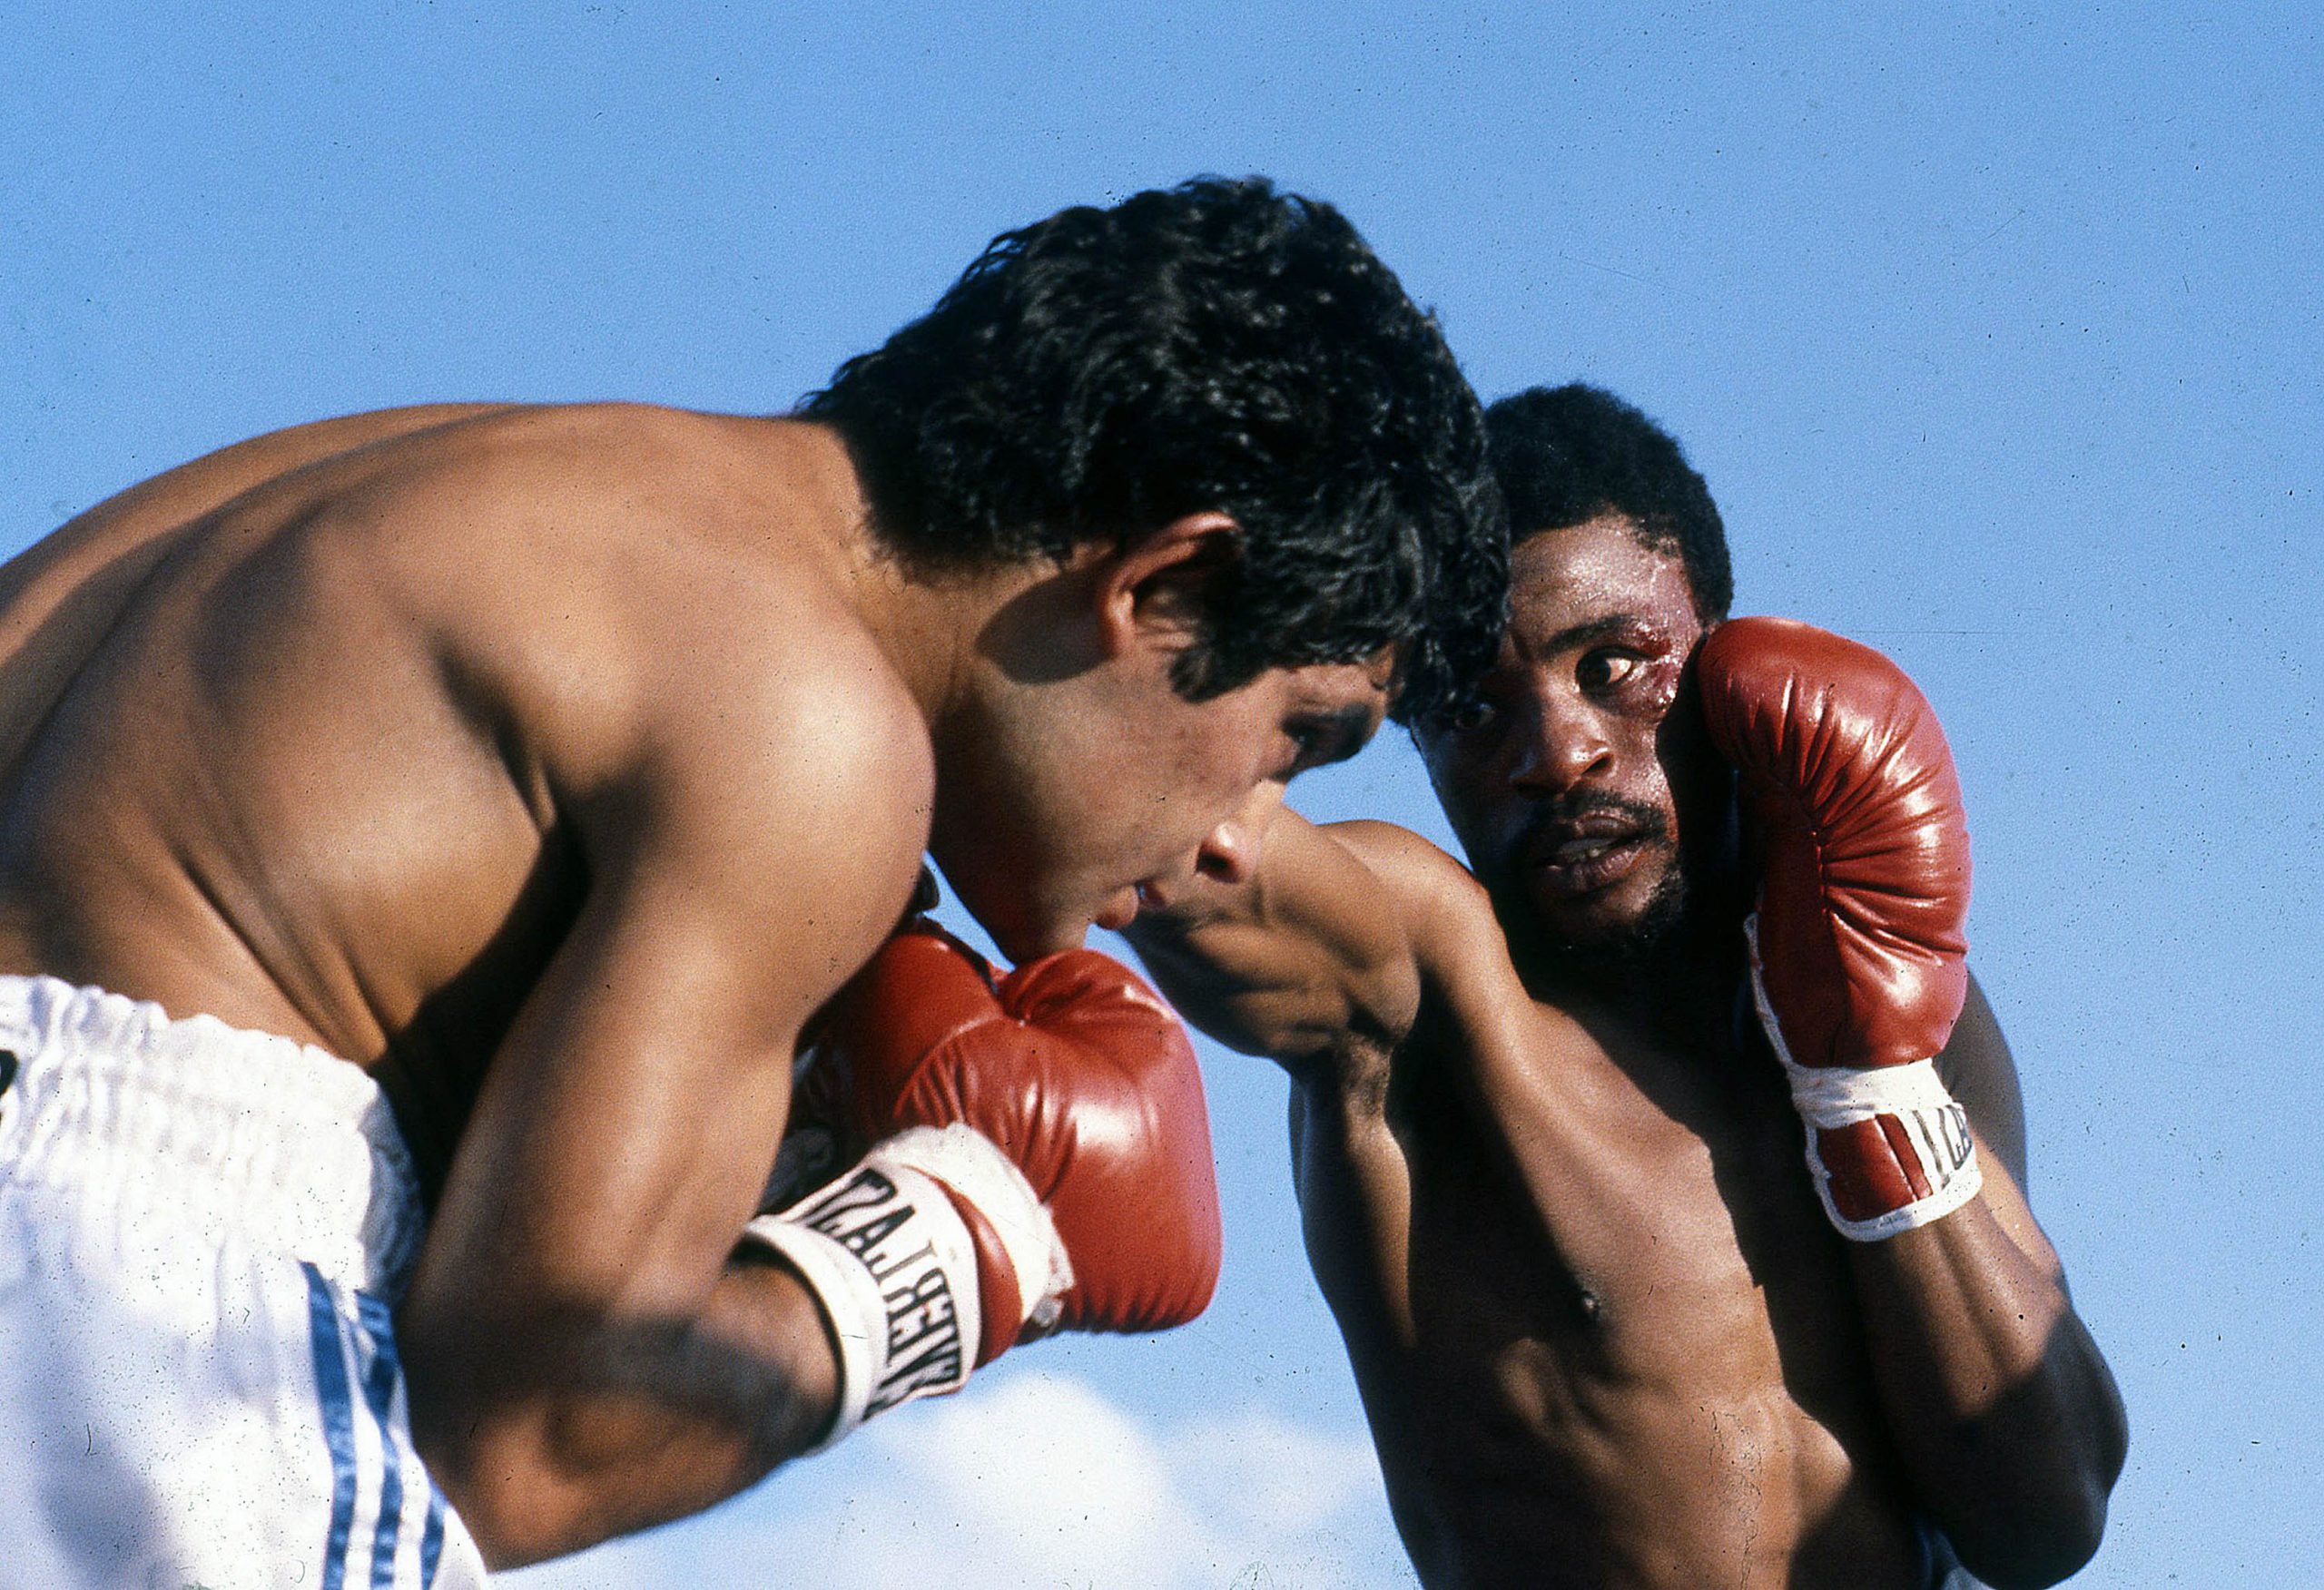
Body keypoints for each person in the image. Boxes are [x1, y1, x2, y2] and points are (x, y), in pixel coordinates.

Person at [0, 177, 1506, 1585]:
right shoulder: (813, 729)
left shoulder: (435, 476)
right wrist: (947, 1250)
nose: (1243, 832)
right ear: (1162, 584)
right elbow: (526, 1439)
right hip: (131, 1340)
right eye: (1297, 739)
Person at [1126, 383, 2128, 1590]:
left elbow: (2047, 1516)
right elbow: (1171, 847)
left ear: (1725, 660)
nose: (1557, 754)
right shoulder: (1435, 985)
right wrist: (1314, 623)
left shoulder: (1881, 982)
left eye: (1616, 666)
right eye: (1472, 707)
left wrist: (1866, 1084)